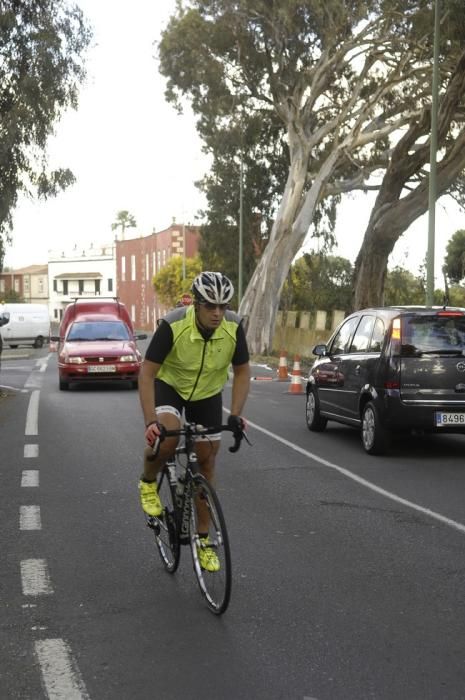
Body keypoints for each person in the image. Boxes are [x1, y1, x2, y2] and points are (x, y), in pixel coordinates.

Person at [138, 271, 250, 571]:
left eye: (223, 307)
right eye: (210, 306)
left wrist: (237, 414)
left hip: (207, 393)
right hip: (170, 385)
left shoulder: (234, 327)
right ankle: (148, 482)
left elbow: (242, 372)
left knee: (206, 462)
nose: (217, 313)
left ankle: (203, 541)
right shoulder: (172, 324)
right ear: (197, 304)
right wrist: (151, 421)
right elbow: (147, 373)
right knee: (168, 436)